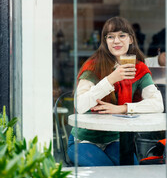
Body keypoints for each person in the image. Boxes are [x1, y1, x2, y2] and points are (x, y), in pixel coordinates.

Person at [67, 17, 164, 167]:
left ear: (131, 39)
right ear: (105, 41)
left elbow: (158, 104)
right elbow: (80, 105)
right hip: (84, 140)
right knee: (108, 172)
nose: (116, 41)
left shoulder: (138, 68)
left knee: (132, 173)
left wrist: (123, 108)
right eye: (110, 37)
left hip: (115, 139)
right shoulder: (93, 66)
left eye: (122, 35)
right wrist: (111, 79)